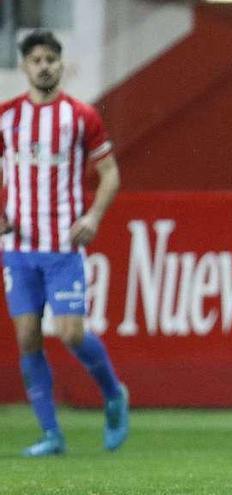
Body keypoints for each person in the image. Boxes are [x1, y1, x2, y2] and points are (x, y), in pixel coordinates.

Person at [0, 31, 128, 457]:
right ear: (24, 67)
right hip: (18, 248)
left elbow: (109, 173)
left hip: (63, 246)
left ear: (61, 64)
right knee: (29, 339)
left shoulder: (80, 116)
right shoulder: (7, 117)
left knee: (71, 333)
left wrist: (92, 217)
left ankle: (113, 394)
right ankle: (51, 434)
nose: (43, 66)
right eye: (36, 59)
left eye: (50, 58)